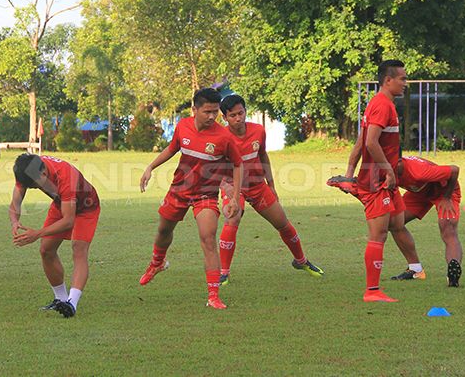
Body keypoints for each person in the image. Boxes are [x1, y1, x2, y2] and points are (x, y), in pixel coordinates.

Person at [138, 87, 243, 309]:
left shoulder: (224, 136)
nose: (212, 116)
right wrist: (150, 167)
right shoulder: (183, 126)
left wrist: (234, 197)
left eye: (215, 112)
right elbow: (172, 148)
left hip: (206, 194)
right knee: (164, 230)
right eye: (207, 112)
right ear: (194, 109)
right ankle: (157, 263)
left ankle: (213, 295)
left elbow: (238, 164)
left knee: (208, 238)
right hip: (179, 190)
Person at [216, 94, 324, 284]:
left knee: (282, 223)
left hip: (258, 185)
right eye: (232, 115)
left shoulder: (258, 131)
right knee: (232, 218)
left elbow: (263, 156)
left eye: (241, 113)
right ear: (225, 117)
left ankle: (301, 261)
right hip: (234, 187)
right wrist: (227, 190)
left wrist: (271, 185)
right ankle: (224, 273)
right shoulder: (220, 138)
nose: (238, 118)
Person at [328, 156, 463, 287]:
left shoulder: (418, 172)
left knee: (448, 230)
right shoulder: (388, 170)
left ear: (398, 162)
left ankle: (453, 271)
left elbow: (454, 170)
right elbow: (375, 197)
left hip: (445, 191)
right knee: (393, 223)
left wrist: (446, 197)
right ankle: (415, 269)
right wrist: (352, 188)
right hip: (418, 193)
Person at [342, 59, 408, 303]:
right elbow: (369, 142)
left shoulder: (379, 103)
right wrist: (388, 171)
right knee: (378, 234)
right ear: (388, 80)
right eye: (401, 78)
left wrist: (349, 172)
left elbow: (361, 141)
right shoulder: (382, 105)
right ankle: (372, 291)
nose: (405, 83)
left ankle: (416, 267)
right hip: (377, 180)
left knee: (397, 222)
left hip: (382, 179)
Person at [9, 153, 100, 318]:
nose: (34, 188)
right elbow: (15, 202)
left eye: (35, 185)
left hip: (86, 207)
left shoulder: (66, 177)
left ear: (43, 174)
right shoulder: (28, 170)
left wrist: (37, 234)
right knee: (46, 250)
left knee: (78, 249)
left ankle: (72, 303)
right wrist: (14, 220)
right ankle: (61, 299)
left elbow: (68, 221)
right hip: (62, 204)